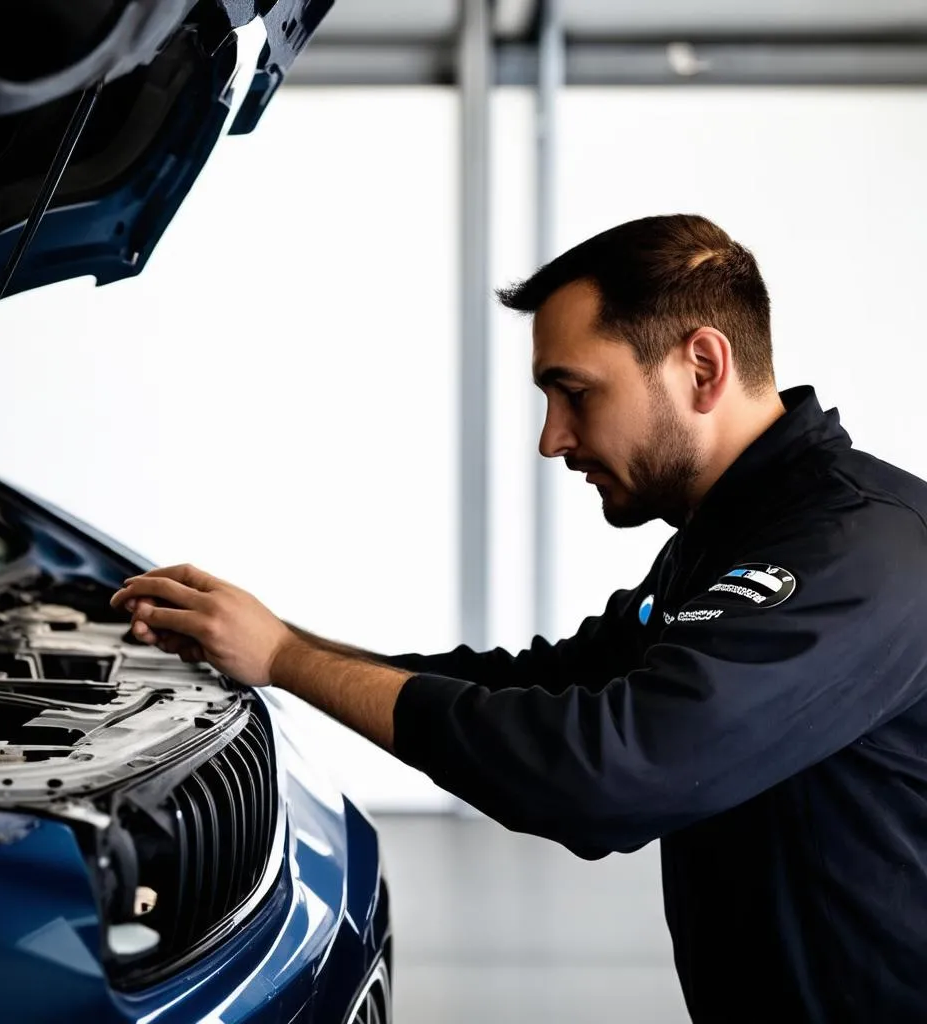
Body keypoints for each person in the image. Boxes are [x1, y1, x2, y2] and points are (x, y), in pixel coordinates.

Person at [111, 214, 927, 1023]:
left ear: (702, 368)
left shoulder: (859, 552)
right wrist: (274, 643)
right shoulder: (734, 536)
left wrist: (288, 660)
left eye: (574, 392)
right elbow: (550, 679)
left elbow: (604, 771)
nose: (552, 439)